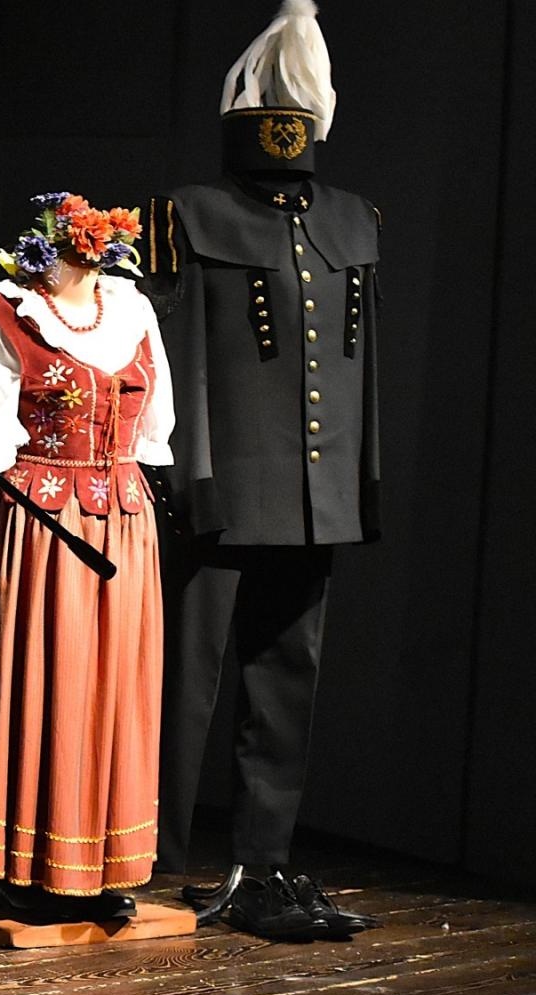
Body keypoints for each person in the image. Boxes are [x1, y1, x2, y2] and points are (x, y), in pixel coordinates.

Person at [143, 0, 382, 942]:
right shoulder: (186, 216)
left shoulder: (357, 219)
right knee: (182, 688)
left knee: (287, 682)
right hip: (216, 488)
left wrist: (357, 485)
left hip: (316, 499)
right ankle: (145, 862)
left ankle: (262, 863)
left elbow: (360, 368)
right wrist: (172, 474)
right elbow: (164, 352)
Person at [0, 193, 174, 923]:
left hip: (125, 521)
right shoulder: (3, 312)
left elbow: (155, 426)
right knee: (46, 675)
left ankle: (103, 862)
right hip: (45, 515)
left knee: (114, 687)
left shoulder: (133, 311)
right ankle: (22, 866)